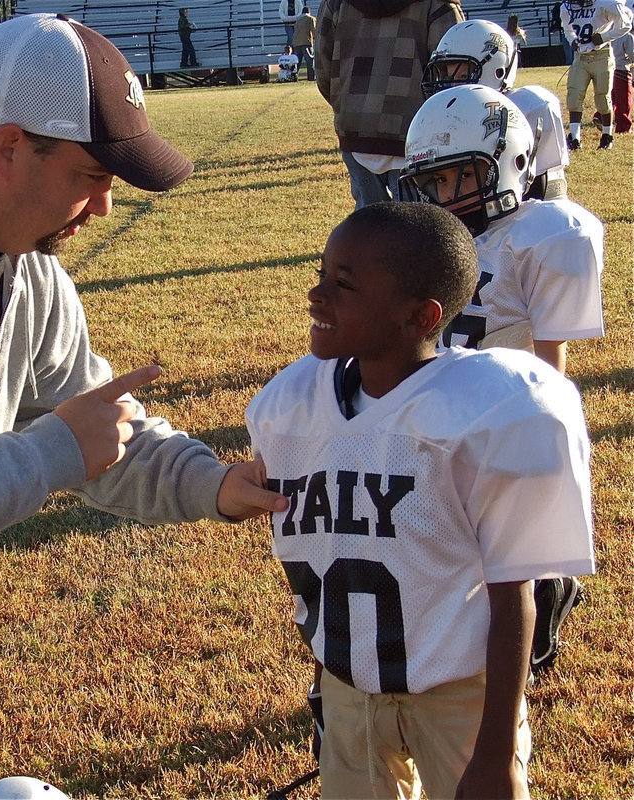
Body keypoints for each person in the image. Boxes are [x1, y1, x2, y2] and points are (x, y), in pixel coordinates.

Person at [0, 13, 288, 798]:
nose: (105, 209)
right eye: (93, 178)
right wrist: (54, 450)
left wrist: (215, 484)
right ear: (10, 148)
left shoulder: (25, 263)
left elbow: (88, 413)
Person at [246, 201, 595, 799]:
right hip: (348, 686)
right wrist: (326, 689)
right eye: (323, 273)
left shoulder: (491, 411)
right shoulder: (290, 403)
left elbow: (516, 593)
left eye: (343, 284)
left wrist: (496, 755)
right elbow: (325, 568)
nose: (316, 294)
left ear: (420, 315)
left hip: (460, 692)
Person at [402, 85, 604, 672]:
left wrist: (541, 434)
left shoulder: (547, 234)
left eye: (458, 177)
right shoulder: (438, 239)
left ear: (509, 159)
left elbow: (550, 361)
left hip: (503, 407)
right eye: (434, 182)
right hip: (441, 406)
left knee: (513, 552)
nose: (444, 195)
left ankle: (542, 605)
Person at [315, 0, 463, 208]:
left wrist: (346, 104)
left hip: (356, 125)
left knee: (368, 227)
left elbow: (323, 67)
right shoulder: (438, 3)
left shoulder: (335, 3)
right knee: (418, 225)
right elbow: (453, 70)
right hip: (415, 129)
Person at [421, 19, 570, 200]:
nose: (452, 84)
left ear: (496, 69)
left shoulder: (530, 105)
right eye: (447, 75)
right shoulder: (444, 112)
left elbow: (549, 189)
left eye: (463, 75)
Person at [559, 0, 633, 149]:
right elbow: (566, 26)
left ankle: (607, 136)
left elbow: (625, 25)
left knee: (602, 98)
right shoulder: (567, 6)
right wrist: (572, 39)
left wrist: (605, 37)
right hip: (580, 56)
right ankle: (575, 138)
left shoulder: (605, 3)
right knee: (573, 96)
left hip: (602, 55)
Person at [594, 29, 634, 130]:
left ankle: (600, 116)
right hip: (622, 70)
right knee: (624, 100)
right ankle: (623, 125)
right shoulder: (627, 36)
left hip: (607, 68)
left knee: (610, 96)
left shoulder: (606, 35)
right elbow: (632, 54)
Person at [292, 6, 317, 80]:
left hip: (296, 43)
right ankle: (311, 77)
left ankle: (294, 77)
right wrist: (316, 38)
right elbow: (314, 30)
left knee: (297, 62)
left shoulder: (297, 20)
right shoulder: (311, 19)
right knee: (310, 61)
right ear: (309, 12)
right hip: (306, 42)